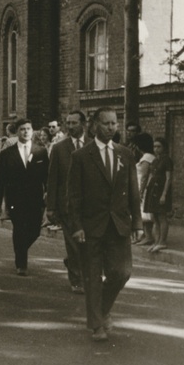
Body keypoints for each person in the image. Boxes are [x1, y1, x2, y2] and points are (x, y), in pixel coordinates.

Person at [66, 107, 142, 342]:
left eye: (114, 123)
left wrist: (137, 223)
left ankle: (102, 309)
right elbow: (74, 195)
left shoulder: (125, 154)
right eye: (107, 123)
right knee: (92, 276)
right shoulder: (81, 156)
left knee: (122, 272)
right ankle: (97, 324)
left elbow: (133, 191)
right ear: (95, 126)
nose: (112, 127)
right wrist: (76, 226)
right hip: (91, 227)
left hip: (118, 225)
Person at [0, 118, 49, 276]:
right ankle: (21, 263)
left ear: (33, 131)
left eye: (28, 129)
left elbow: (47, 175)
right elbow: (1, 179)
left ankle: (20, 250)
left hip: (35, 197)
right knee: (19, 228)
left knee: (34, 230)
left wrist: (47, 192)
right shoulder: (6, 154)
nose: (26, 132)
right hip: (15, 198)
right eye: (22, 129)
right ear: (17, 132)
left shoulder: (40, 151)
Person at [46, 110, 87, 294]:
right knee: (73, 243)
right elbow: (52, 179)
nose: (70, 127)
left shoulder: (93, 146)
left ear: (83, 124)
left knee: (88, 244)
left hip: (91, 206)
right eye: (68, 123)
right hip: (67, 205)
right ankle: (77, 279)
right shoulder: (59, 148)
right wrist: (51, 207)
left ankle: (75, 266)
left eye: (74, 123)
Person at [144, 137, 174, 253]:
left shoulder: (167, 160)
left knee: (161, 216)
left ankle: (162, 242)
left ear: (164, 147)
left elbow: (168, 178)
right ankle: (156, 241)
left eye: (159, 147)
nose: (156, 149)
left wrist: (164, 194)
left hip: (161, 190)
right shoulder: (155, 160)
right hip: (153, 190)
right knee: (154, 217)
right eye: (154, 146)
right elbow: (151, 175)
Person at [132, 133, 155, 246]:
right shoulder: (148, 156)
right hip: (143, 187)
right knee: (143, 214)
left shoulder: (147, 157)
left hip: (144, 188)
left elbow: (144, 176)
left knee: (144, 214)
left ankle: (148, 236)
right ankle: (144, 236)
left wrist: (140, 192)